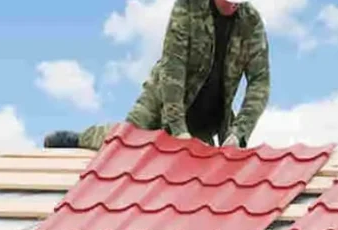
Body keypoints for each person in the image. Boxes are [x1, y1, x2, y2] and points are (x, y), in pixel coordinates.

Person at [44, 0, 269, 150]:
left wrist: (239, 132)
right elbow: (173, 67)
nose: (232, 5)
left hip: (207, 115)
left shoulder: (251, 23)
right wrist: (178, 129)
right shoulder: (187, 7)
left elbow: (259, 81)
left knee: (192, 165)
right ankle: (79, 138)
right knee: (126, 141)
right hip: (162, 95)